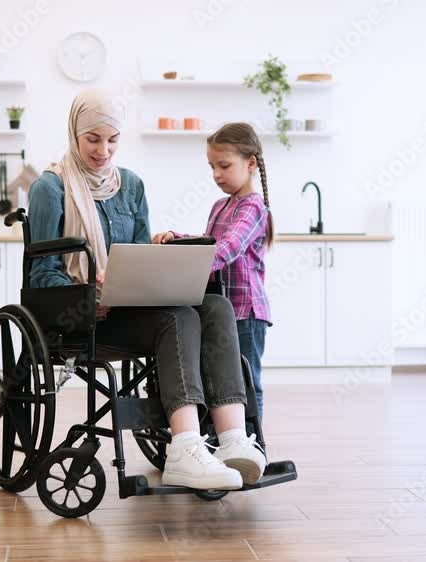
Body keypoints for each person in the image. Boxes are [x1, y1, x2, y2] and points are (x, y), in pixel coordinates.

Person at [27, 90, 266, 490]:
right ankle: (185, 447)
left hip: (132, 309)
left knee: (215, 306)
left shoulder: (131, 186)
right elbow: (41, 275)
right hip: (83, 318)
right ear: (74, 134)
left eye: (113, 139)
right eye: (93, 139)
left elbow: (141, 258)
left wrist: (148, 275)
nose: (104, 150)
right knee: (179, 317)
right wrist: (88, 293)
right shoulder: (49, 189)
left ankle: (231, 440)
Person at [153, 122, 274, 420]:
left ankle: (256, 446)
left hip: (245, 313)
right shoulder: (220, 205)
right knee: (219, 382)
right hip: (220, 311)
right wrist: (176, 238)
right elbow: (209, 243)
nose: (216, 174)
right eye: (212, 167)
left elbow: (227, 249)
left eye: (224, 165)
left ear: (250, 163)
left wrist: (190, 259)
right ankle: (227, 441)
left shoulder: (253, 207)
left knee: (246, 381)